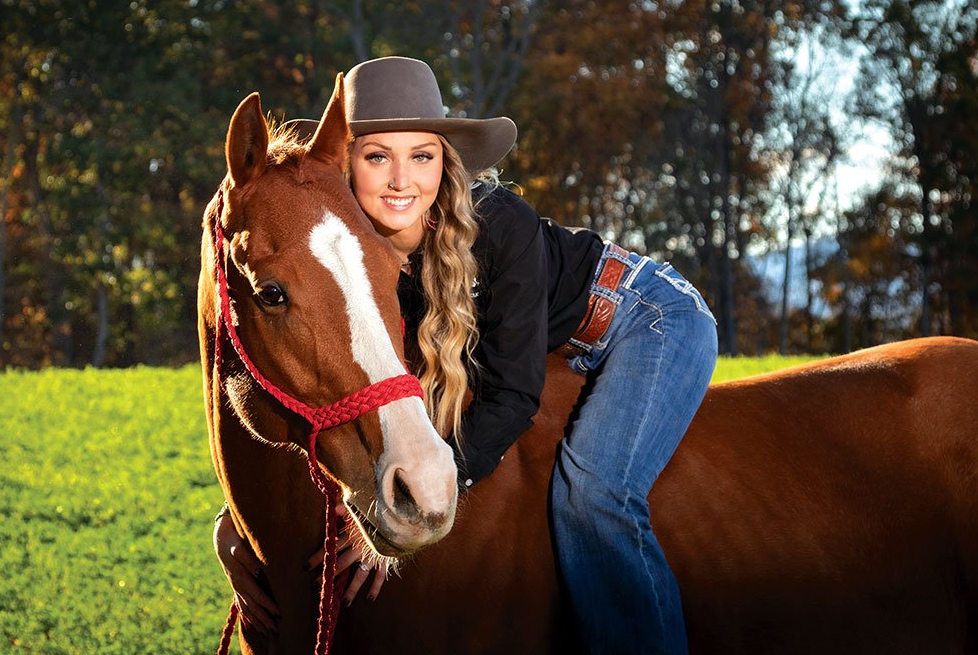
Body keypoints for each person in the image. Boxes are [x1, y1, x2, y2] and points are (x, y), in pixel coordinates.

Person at [213, 56, 718, 654]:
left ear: (444, 162)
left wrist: (423, 495)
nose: (401, 180)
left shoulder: (501, 225)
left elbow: (513, 394)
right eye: (378, 157)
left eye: (421, 156)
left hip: (643, 318)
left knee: (595, 494)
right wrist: (234, 522)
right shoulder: (356, 258)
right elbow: (340, 386)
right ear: (344, 165)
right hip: (551, 343)